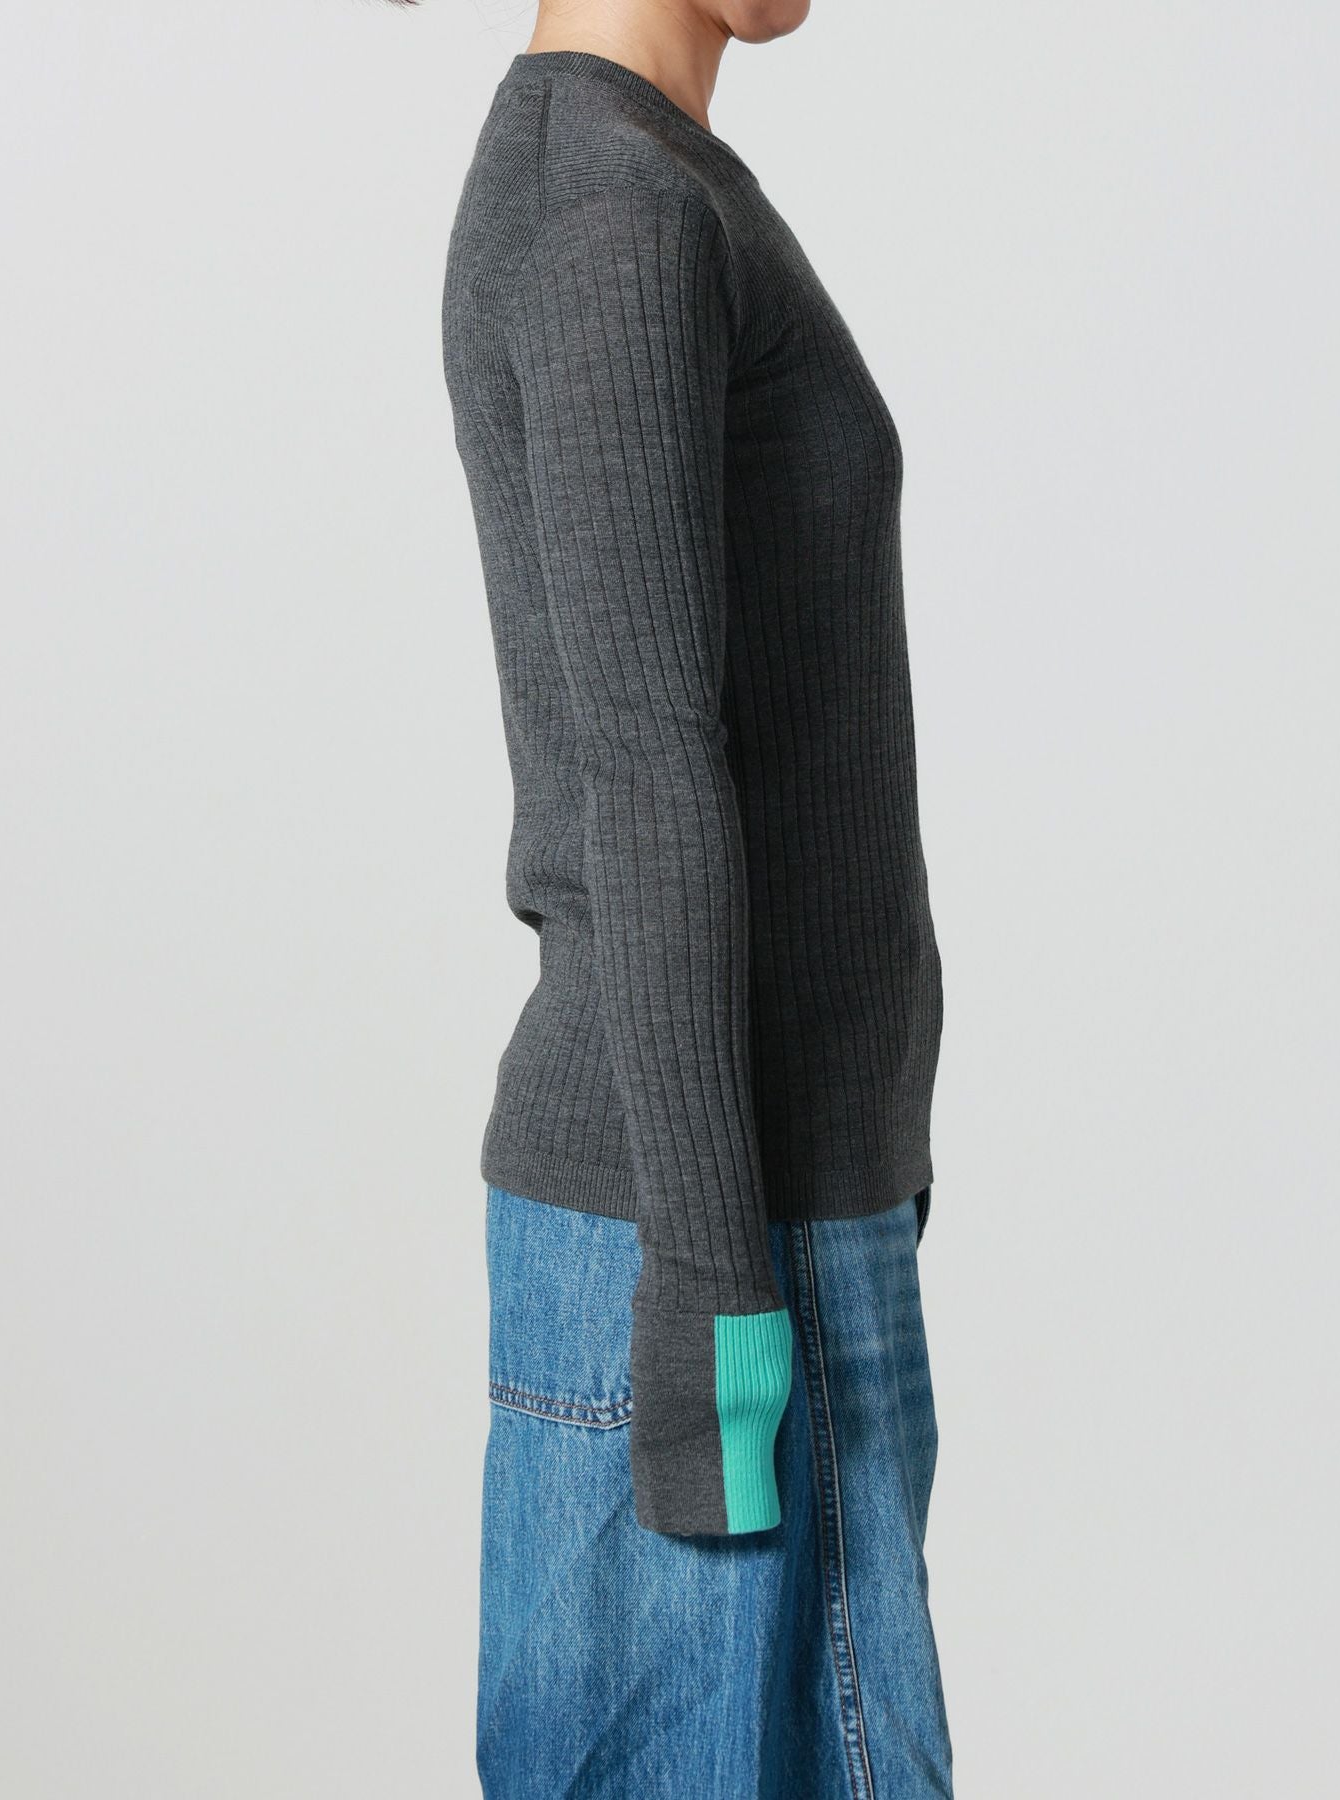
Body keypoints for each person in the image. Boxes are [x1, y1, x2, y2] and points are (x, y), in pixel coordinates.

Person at [441, 2, 953, 1792]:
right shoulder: (616, 208)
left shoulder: (645, 180)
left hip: (757, 1209)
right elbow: (650, 775)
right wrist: (721, 1304)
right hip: (704, 1234)